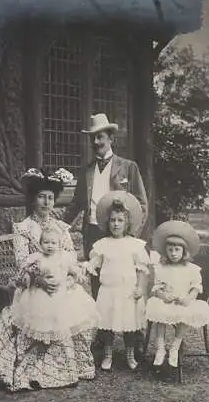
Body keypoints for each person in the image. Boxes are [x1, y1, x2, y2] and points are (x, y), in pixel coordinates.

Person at [0, 167, 98, 392]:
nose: (46, 202)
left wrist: (64, 281)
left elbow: (69, 257)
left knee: (72, 304)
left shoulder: (61, 229)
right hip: (33, 285)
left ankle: (72, 365)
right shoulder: (23, 228)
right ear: (34, 199)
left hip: (60, 283)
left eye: (50, 198)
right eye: (42, 197)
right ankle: (33, 367)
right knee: (40, 311)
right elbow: (23, 262)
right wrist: (41, 282)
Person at [63, 113, 148, 358]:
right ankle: (104, 336)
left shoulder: (128, 167)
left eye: (100, 137)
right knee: (100, 286)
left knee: (128, 285)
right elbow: (77, 203)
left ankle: (136, 338)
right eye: (92, 138)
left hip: (122, 235)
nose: (96, 142)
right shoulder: (87, 170)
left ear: (110, 138)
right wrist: (60, 226)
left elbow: (141, 204)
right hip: (93, 233)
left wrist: (131, 237)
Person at [82, 191, 150, 371]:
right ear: (107, 222)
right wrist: (86, 267)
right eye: (112, 220)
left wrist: (140, 288)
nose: (116, 224)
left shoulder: (135, 245)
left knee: (129, 325)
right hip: (108, 290)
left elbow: (142, 269)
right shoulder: (103, 244)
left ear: (127, 223)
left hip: (128, 290)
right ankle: (108, 354)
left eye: (120, 220)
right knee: (108, 325)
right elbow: (94, 263)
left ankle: (130, 354)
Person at [11, 227, 98, 344]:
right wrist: (28, 277)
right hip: (40, 292)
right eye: (46, 242)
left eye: (53, 243)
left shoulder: (63, 257)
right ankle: (45, 339)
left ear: (59, 244)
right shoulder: (37, 258)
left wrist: (78, 274)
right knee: (42, 316)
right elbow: (29, 273)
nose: (50, 246)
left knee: (61, 314)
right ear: (40, 244)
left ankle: (59, 339)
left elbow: (73, 269)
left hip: (60, 290)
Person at [146, 220, 209, 370]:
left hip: (184, 301)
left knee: (186, 314)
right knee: (158, 310)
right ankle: (161, 348)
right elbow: (157, 288)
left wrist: (189, 298)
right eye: (170, 250)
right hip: (167, 301)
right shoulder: (162, 268)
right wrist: (163, 296)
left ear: (184, 251)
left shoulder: (191, 269)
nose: (173, 253)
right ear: (165, 251)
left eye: (177, 250)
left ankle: (175, 346)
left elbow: (196, 287)